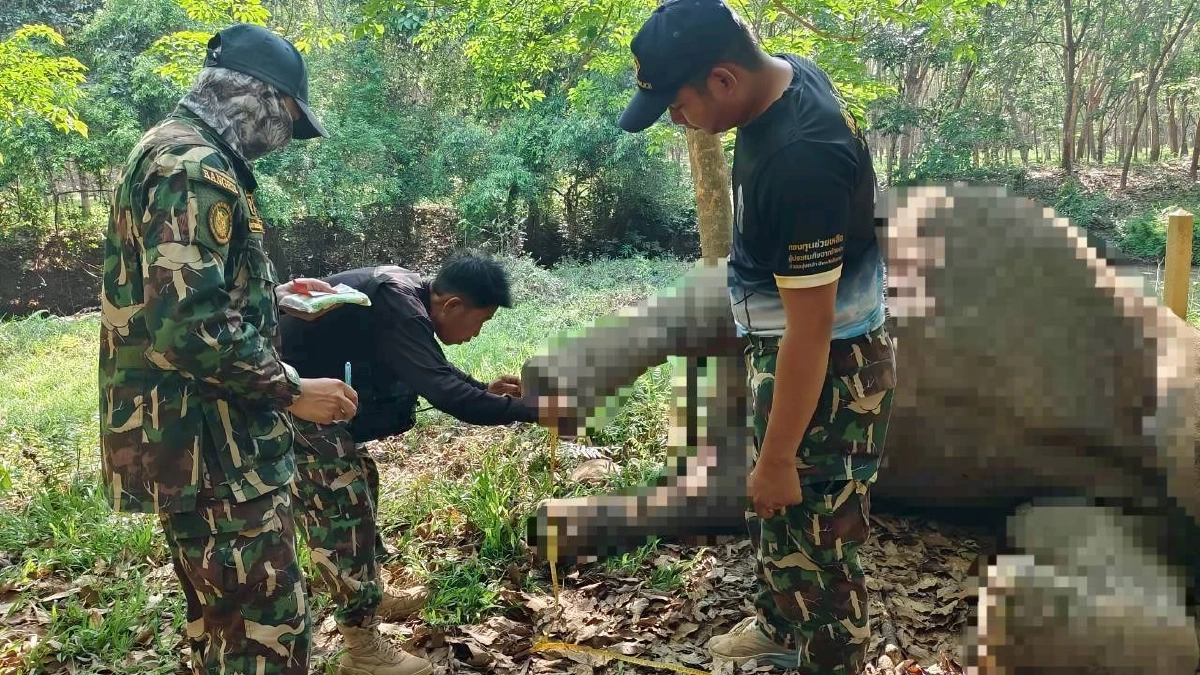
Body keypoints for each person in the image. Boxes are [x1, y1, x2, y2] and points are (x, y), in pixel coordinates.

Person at [616, 2, 897, 673]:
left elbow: (813, 329)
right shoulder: (783, 78)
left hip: (831, 371)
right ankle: (779, 625)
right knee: (775, 516)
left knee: (817, 538)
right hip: (790, 350)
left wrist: (778, 454)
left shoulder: (800, 160)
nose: (676, 122)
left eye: (677, 106)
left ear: (721, 80)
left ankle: (831, 658)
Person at [98, 23, 359, 675]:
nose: (282, 143)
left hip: (190, 446)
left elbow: (181, 294)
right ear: (258, 99)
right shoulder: (196, 168)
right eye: (287, 123)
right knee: (265, 636)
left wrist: (270, 296)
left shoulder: (165, 149)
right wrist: (295, 392)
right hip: (214, 452)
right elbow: (190, 330)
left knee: (216, 630)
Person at [276, 251, 539, 675]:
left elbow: (428, 368)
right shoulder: (398, 303)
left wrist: (485, 391)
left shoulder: (404, 292)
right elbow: (446, 393)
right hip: (293, 406)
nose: (476, 334)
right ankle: (361, 648)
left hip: (314, 405)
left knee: (361, 478)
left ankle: (371, 594)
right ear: (452, 305)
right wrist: (534, 411)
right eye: (481, 322)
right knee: (342, 505)